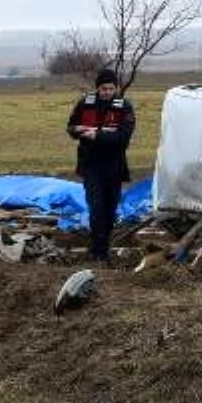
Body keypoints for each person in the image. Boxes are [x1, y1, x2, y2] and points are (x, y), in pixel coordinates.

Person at [66, 67, 135, 262]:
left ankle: (103, 246)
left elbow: (123, 137)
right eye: (103, 88)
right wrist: (76, 129)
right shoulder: (85, 103)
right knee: (96, 208)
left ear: (116, 88)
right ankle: (98, 251)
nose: (106, 92)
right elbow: (70, 127)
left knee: (109, 209)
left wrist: (98, 135)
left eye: (110, 88)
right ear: (97, 88)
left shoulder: (124, 107)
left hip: (114, 166)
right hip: (91, 165)